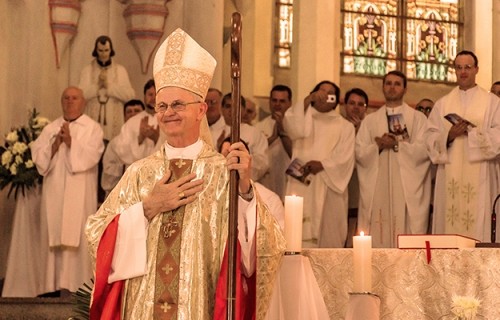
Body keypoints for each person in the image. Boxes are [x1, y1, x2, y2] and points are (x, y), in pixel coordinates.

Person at [85, 28, 285, 319]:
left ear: (201, 109)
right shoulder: (139, 173)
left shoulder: (223, 172)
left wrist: (244, 191)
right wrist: (147, 208)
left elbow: (263, 251)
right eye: (162, 106)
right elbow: (95, 234)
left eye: (178, 104)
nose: (169, 113)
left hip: (199, 308)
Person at [30, 86, 105, 295]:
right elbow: (39, 158)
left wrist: (71, 142)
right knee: (53, 234)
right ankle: (50, 289)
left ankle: (79, 290)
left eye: (74, 98)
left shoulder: (93, 128)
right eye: (66, 98)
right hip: (54, 195)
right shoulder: (50, 128)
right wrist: (54, 145)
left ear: (83, 102)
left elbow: (92, 155)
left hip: (80, 196)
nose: (69, 101)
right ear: (61, 101)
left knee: (78, 236)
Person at [425, 50, 500, 242]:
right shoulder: (442, 104)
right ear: (454, 71)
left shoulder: (493, 102)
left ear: (476, 69)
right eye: (459, 68)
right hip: (450, 171)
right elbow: (429, 137)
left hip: (482, 173)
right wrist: (449, 135)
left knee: (479, 227)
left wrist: (472, 133)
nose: (463, 72)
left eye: (467, 67)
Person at [356, 71, 432, 248]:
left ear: (405, 88)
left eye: (397, 84)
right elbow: (359, 152)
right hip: (377, 187)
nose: (392, 87)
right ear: (383, 87)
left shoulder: (418, 119)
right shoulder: (370, 120)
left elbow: (424, 151)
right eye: (388, 83)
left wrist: (398, 145)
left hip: (405, 188)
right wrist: (379, 146)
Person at [283, 80, 355, 248]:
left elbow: (345, 157)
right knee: (297, 238)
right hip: (302, 182)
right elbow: (292, 126)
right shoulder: (303, 117)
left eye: (330, 92)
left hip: (329, 184)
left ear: (335, 99)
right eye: (321, 91)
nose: (325, 95)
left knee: (329, 239)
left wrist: (322, 164)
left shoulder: (345, 126)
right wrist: (308, 100)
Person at [78, 35, 135, 141]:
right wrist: (97, 87)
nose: (104, 54)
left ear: (111, 50)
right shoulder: (87, 70)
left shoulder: (120, 70)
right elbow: (80, 96)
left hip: (114, 122)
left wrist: (109, 87)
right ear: (96, 51)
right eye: (100, 50)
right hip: (92, 119)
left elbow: (130, 95)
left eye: (106, 50)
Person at [112, 79, 164, 167]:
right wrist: (140, 139)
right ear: (144, 96)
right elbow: (120, 150)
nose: (153, 98)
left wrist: (157, 139)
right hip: (136, 172)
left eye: (156, 94)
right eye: (150, 94)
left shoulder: (167, 120)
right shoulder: (132, 122)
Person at [255, 85, 293, 200]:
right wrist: (272, 138)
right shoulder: (258, 127)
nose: (277, 104)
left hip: (287, 183)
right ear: (269, 102)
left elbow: (297, 155)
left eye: (282, 101)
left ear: (289, 103)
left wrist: (282, 132)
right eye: (274, 100)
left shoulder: (296, 127)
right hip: (265, 183)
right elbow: (254, 155)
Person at [101, 99, 145, 197]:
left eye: (137, 111)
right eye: (129, 112)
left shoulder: (152, 140)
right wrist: (126, 168)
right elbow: (107, 170)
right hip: (120, 193)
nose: (133, 114)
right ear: (124, 117)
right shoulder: (115, 143)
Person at [221, 93, 270, 181]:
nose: (231, 109)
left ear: (243, 110)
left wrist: (242, 157)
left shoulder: (255, 133)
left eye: (235, 106)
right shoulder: (212, 131)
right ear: (222, 109)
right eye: (228, 106)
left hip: (244, 182)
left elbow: (263, 163)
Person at [342, 88, 369, 247]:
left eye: (361, 104)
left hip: (360, 182)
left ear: (366, 108)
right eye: (352, 103)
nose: (356, 107)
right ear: (345, 105)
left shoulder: (369, 127)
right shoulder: (337, 126)